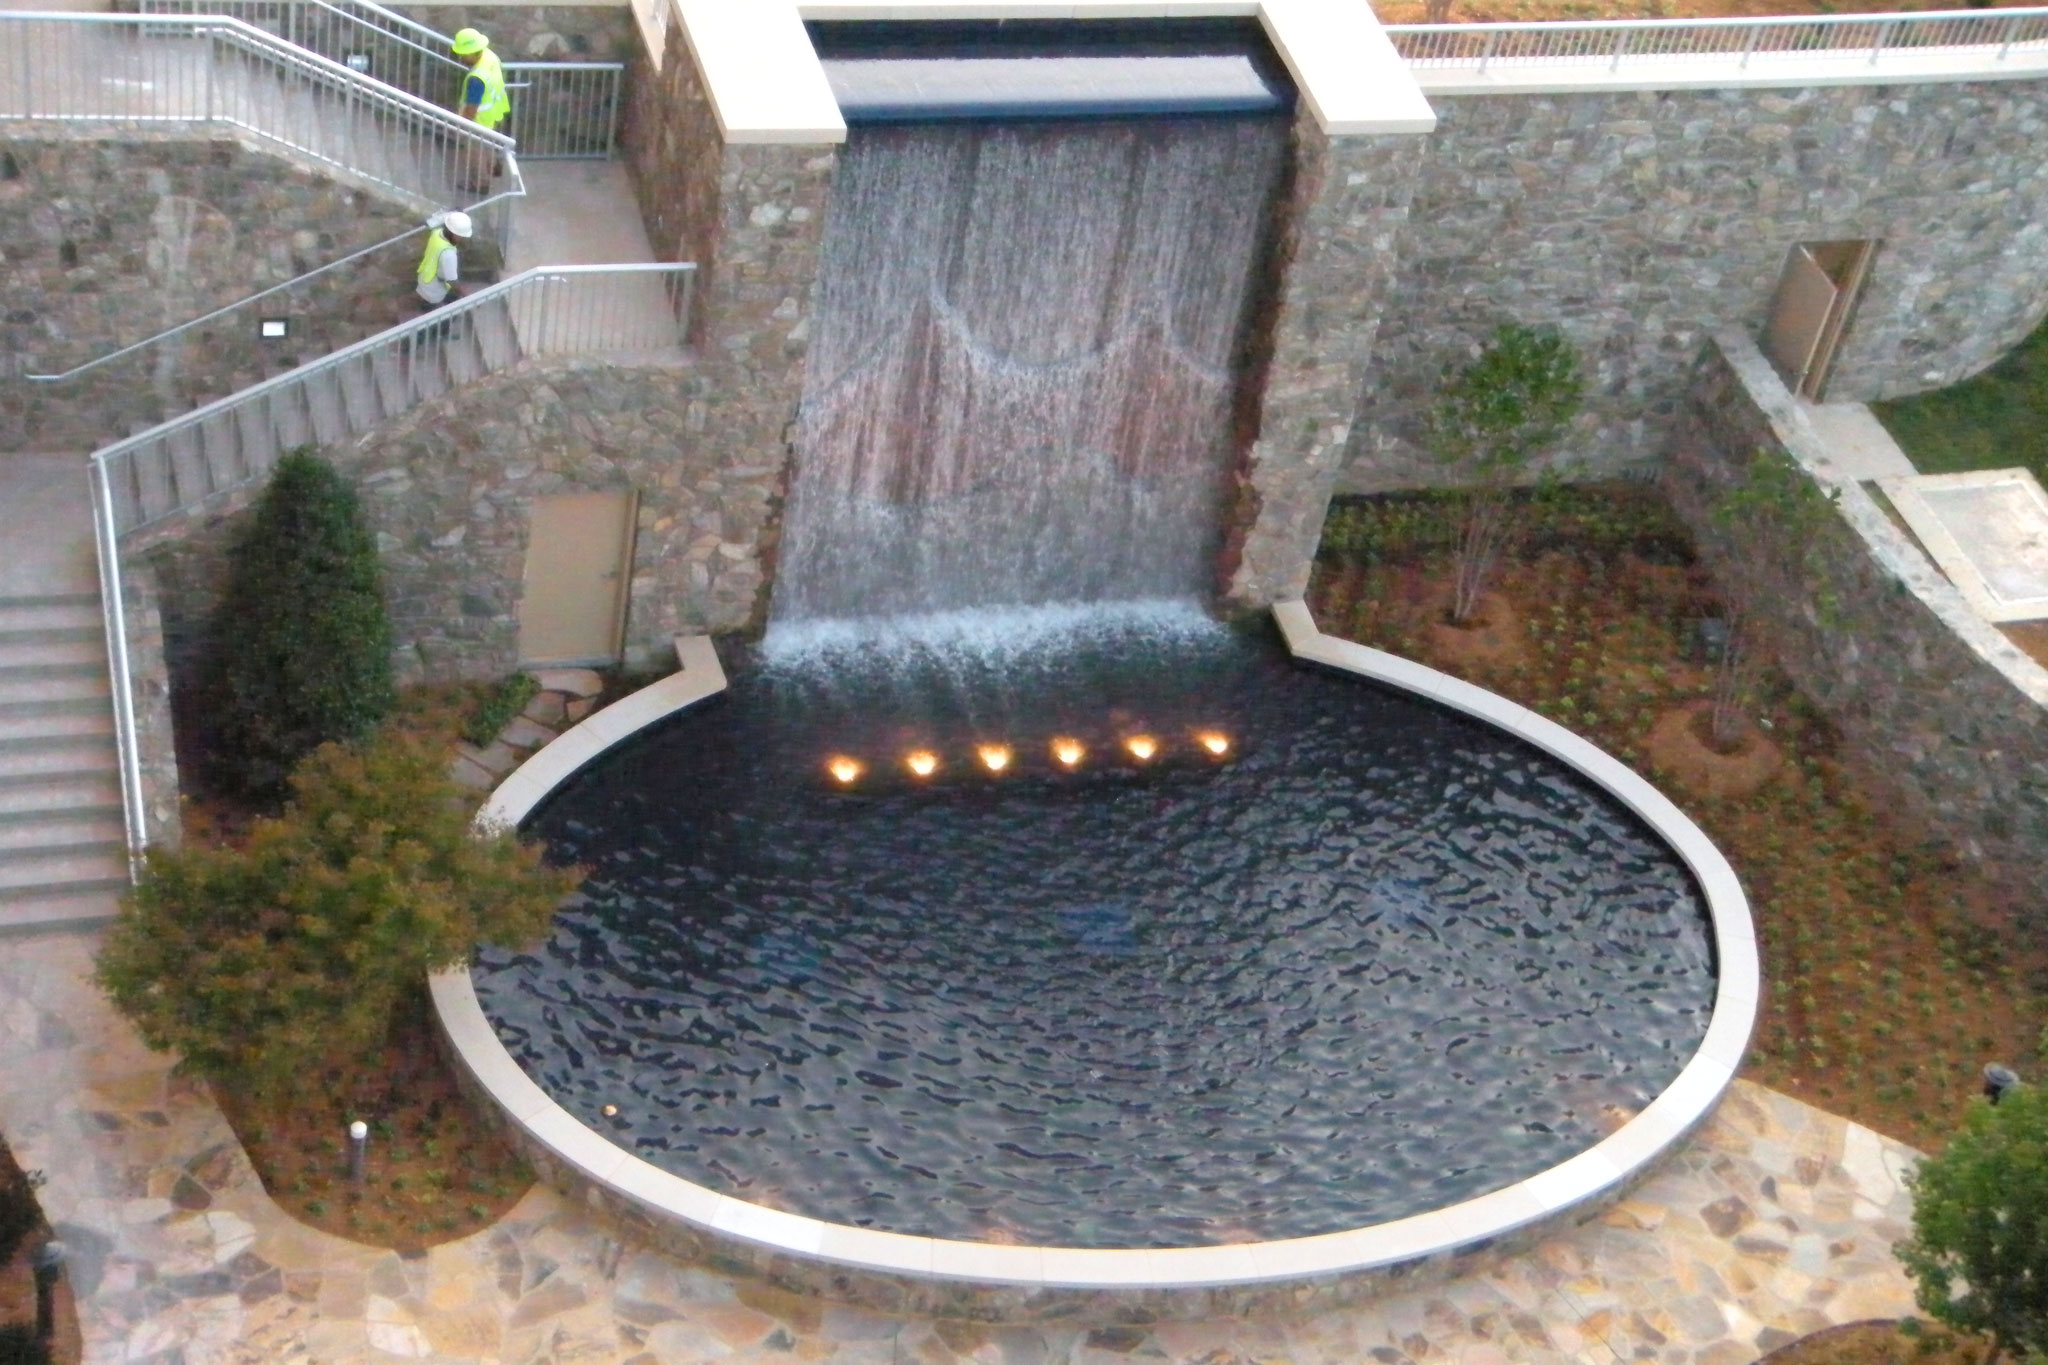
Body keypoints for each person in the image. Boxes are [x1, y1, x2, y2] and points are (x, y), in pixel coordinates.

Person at [450, 28, 509, 192]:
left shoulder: (476, 78)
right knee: (488, 146)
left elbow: (472, 107)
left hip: (479, 122)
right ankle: (494, 167)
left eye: (464, 54)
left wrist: (463, 125)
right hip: (495, 112)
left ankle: (480, 184)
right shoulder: (490, 56)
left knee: (475, 154)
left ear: (474, 52)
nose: (461, 57)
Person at [415, 210, 472, 310]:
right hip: (433, 291)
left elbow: (438, 219)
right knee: (437, 322)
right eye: (461, 236)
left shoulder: (437, 233)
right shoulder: (448, 254)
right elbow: (452, 281)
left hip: (425, 280)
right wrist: (468, 296)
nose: (462, 239)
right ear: (454, 234)